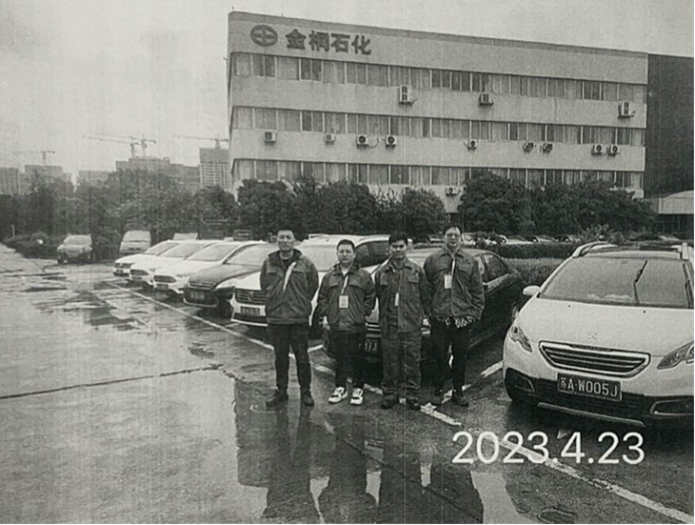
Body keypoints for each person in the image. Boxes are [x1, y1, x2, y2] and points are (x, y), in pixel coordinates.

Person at [424, 225, 485, 407]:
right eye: (449, 235)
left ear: (461, 238)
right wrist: (429, 312)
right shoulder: (433, 260)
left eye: (456, 235)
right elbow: (426, 289)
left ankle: (458, 391)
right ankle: (438, 390)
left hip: (463, 318)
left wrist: (475, 314)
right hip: (440, 317)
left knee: (461, 356)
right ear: (443, 237)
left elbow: (477, 290)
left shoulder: (470, 261)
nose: (453, 238)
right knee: (439, 355)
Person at [260, 227, 319, 407]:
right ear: (276, 240)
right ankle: (281, 391)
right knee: (280, 358)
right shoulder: (268, 263)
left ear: (295, 241)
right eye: (281, 237)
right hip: (277, 319)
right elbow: (264, 286)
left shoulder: (306, 264)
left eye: (288, 237)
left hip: (298, 319)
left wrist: (299, 303)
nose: (284, 240)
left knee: (302, 357)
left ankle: (306, 392)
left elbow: (312, 286)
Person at [374, 231, 431, 410]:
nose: (398, 250)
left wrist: (426, 318)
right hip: (389, 325)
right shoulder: (381, 272)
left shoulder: (416, 271)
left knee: (412, 362)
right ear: (389, 248)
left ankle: (412, 395)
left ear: (407, 247)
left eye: (401, 246)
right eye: (394, 246)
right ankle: (390, 394)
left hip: (411, 325)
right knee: (390, 362)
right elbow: (378, 296)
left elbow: (425, 296)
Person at [317, 239, 376, 406]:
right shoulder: (329, 276)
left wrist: (363, 312)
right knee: (340, 357)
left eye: (348, 251)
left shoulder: (363, 276)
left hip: (356, 325)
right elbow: (322, 297)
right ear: (337, 254)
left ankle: (358, 388)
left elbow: (370, 296)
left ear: (354, 254)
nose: (344, 255)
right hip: (337, 325)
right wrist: (327, 313)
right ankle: (340, 387)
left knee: (357, 358)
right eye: (341, 251)